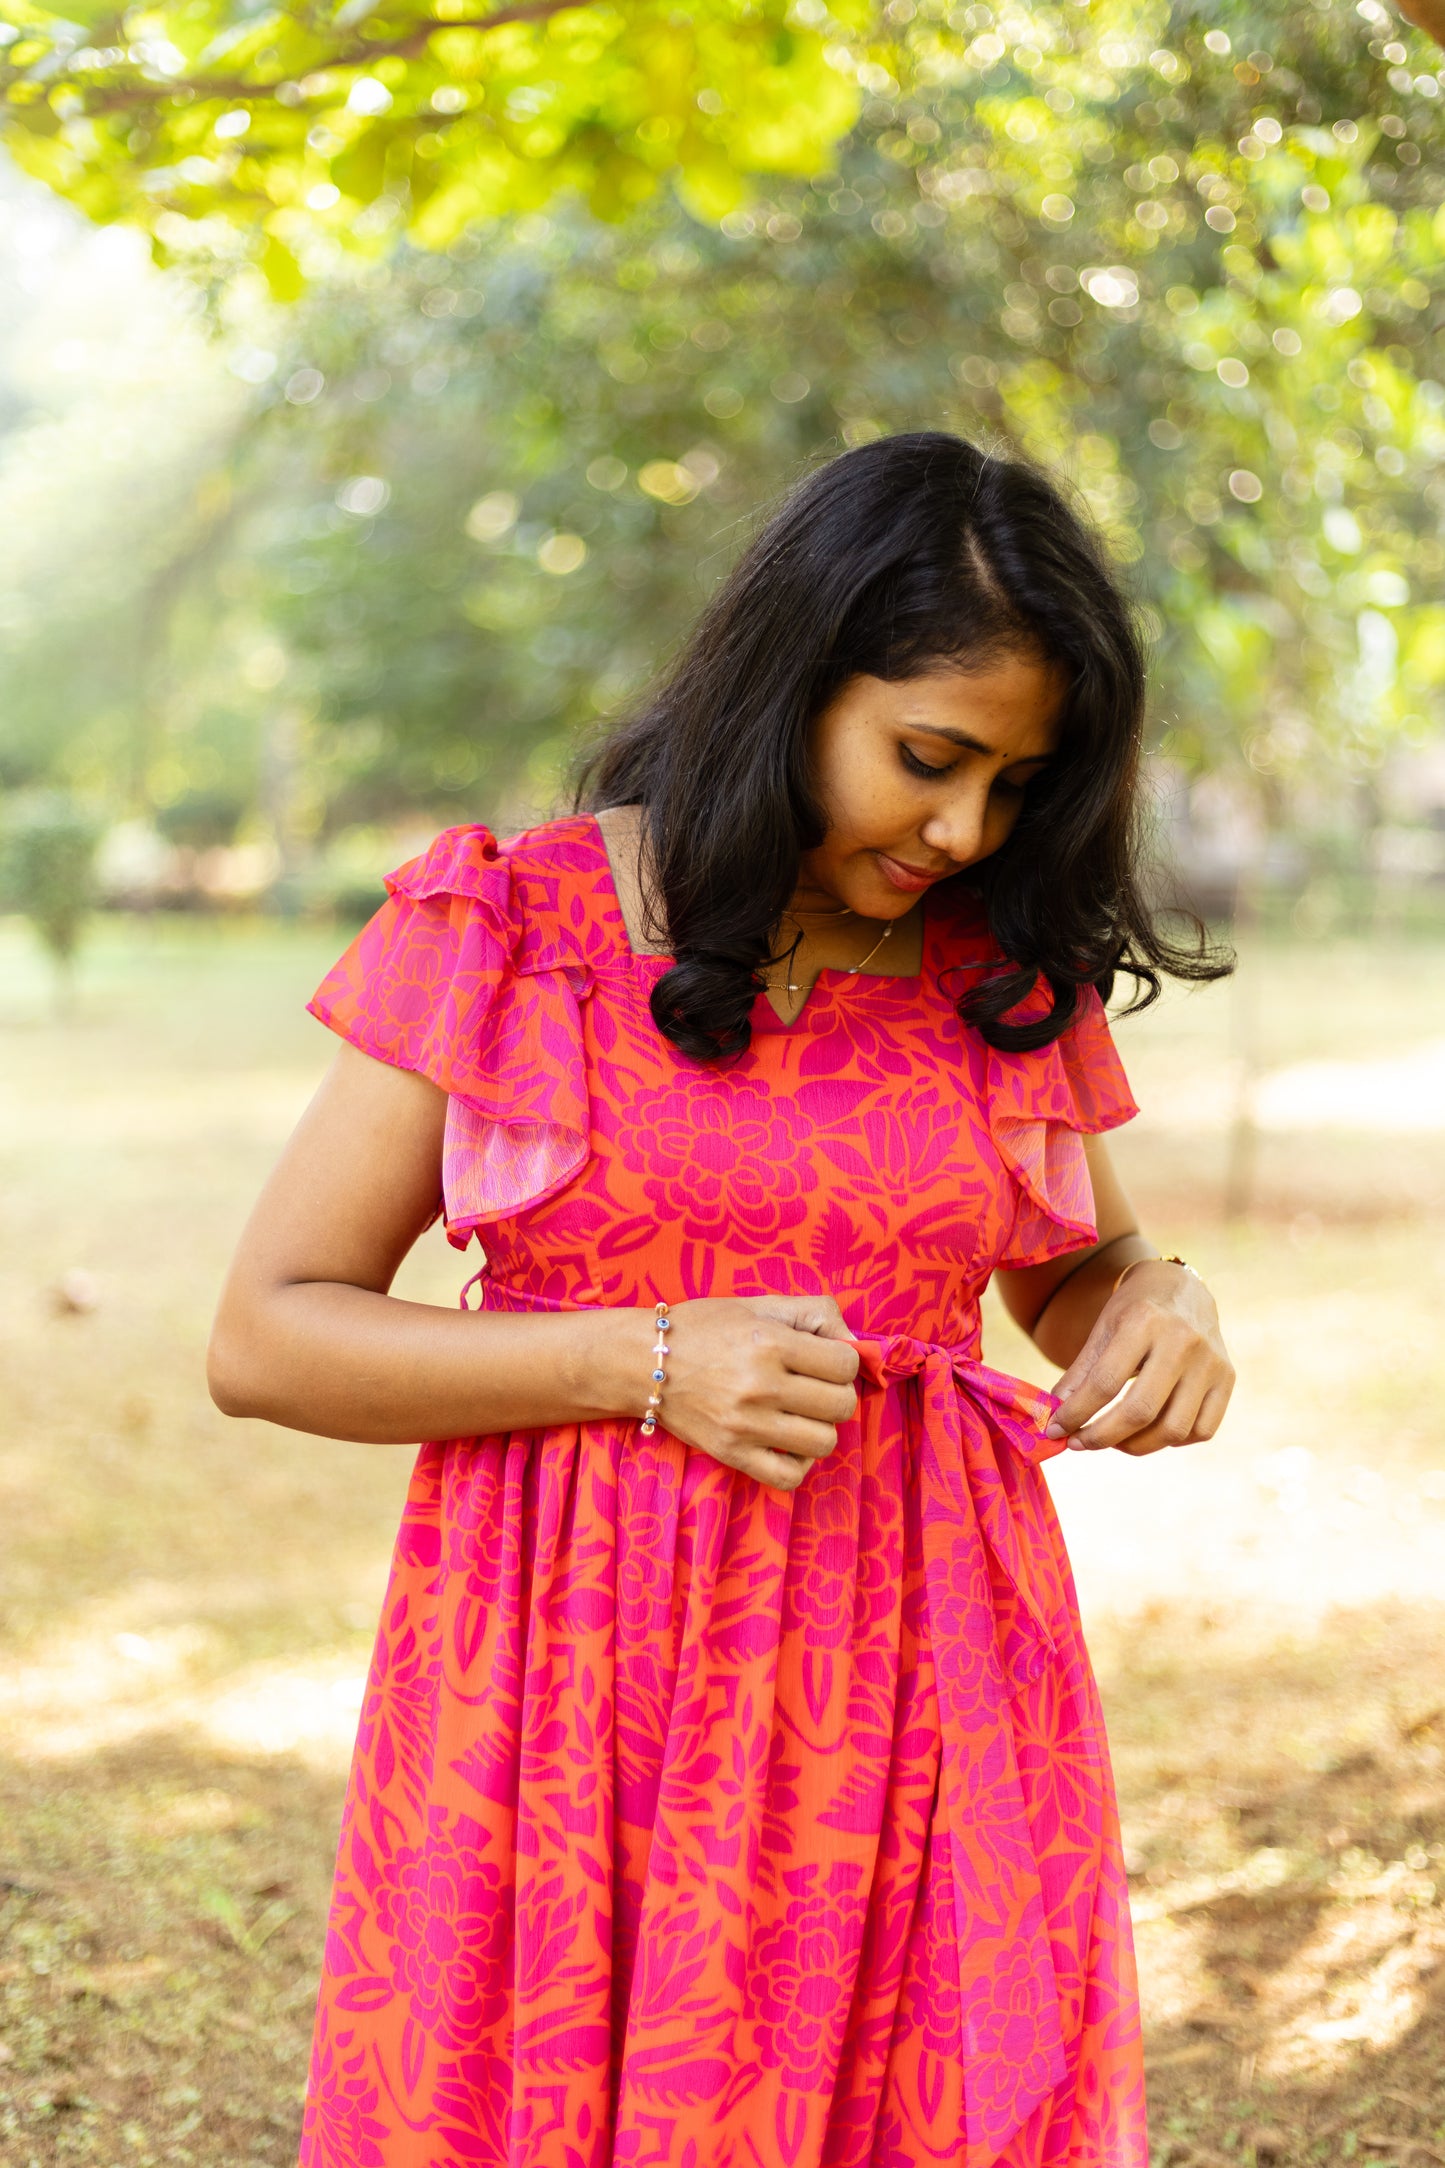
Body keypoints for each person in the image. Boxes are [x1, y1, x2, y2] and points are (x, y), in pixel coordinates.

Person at [209, 430, 1235, 2168]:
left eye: (1016, 782)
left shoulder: (995, 969)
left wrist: (1161, 1301)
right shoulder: (513, 927)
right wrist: (644, 1360)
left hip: (918, 1673)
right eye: (928, 758)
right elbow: (266, 1333)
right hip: (571, 1677)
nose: (964, 827)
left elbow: (1074, 1268)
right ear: (795, 679)